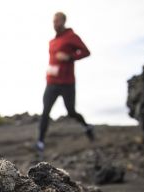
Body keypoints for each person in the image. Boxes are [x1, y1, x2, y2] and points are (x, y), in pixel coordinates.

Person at [36, 12, 94, 154]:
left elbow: (86, 52)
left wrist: (69, 57)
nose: (55, 24)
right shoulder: (52, 41)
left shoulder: (72, 37)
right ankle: (40, 143)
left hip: (67, 83)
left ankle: (87, 127)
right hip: (51, 82)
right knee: (45, 112)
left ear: (63, 21)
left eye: (57, 21)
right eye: (53, 21)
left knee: (71, 111)